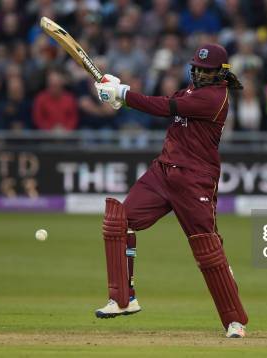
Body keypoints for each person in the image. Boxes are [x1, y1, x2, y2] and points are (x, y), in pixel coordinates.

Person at [93, 44, 248, 338]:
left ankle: (234, 321)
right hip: (163, 172)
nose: (201, 74)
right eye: (198, 68)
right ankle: (123, 299)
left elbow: (165, 107)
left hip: (195, 181)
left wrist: (124, 95)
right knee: (119, 220)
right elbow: (163, 100)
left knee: (208, 250)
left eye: (208, 70)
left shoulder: (216, 98)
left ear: (221, 73)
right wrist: (120, 92)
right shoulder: (189, 90)